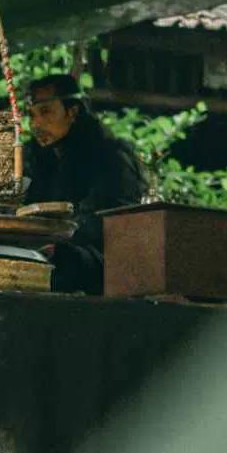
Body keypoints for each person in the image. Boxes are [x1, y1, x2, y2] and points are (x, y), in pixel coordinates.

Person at [21, 74, 149, 293]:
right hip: (48, 251)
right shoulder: (37, 160)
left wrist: (60, 244)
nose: (36, 124)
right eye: (32, 115)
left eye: (45, 112)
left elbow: (109, 225)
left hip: (104, 262)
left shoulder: (109, 156)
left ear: (73, 112)